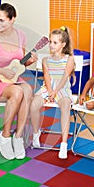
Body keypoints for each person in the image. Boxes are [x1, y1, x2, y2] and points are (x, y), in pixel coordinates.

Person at [0, 3, 37, 160]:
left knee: (27, 90)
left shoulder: (21, 36)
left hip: (13, 79)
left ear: (12, 19)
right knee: (18, 91)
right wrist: (1, 70)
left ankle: (17, 137)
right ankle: (4, 136)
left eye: (2, 20)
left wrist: (29, 62)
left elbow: (19, 64)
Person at [30, 27, 76, 159]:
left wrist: (55, 92)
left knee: (65, 106)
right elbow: (46, 77)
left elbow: (65, 77)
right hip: (48, 87)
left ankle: (63, 143)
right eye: (50, 41)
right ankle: (35, 133)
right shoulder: (45, 60)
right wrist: (50, 91)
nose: (51, 45)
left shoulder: (69, 59)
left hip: (62, 88)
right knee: (34, 105)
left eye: (55, 42)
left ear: (63, 44)